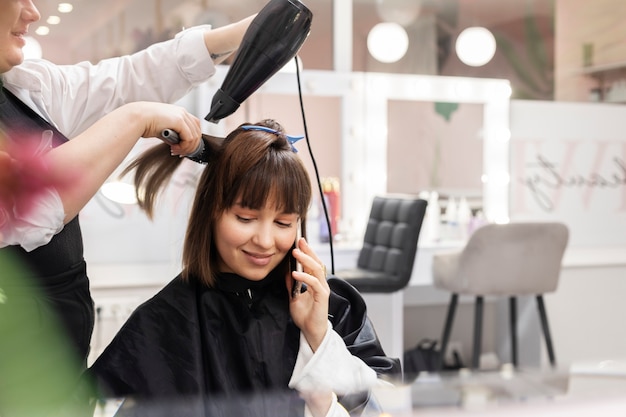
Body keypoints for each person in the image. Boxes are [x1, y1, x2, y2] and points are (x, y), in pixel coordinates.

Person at [0, 0, 256, 413]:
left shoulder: (18, 85)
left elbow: (121, 80)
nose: (32, 13)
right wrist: (134, 119)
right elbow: (32, 207)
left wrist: (237, 36)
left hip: (58, 364)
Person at [88, 120, 402, 417]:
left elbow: (381, 407)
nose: (266, 241)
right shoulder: (165, 320)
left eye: (283, 223)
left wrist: (320, 335)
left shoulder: (334, 304)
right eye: (245, 218)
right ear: (211, 211)